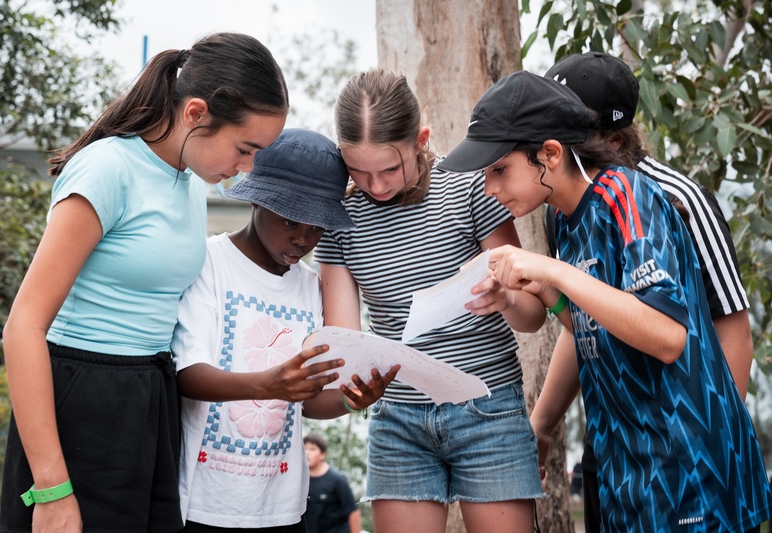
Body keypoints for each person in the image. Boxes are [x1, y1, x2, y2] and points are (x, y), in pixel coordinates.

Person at [439, 69, 772, 532]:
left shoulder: (630, 197)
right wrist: (546, 294)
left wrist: (554, 271)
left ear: (550, 153)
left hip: (689, 475)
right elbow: (597, 328)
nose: (490, 188)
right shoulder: (567, 218)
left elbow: (667, 336)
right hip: (627, 473)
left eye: (499, 170)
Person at [0, 33, 289, 532]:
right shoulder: (108, 169)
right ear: (195, 113)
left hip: (151, 397)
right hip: (83, 397)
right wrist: (51, 487)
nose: (247, 168)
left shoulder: (188, 180)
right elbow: (22, 326)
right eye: (245, 149)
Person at [314, 68, 547, 533]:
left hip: (488, 409)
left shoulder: (472, 188)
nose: (376, 186)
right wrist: (353, 385)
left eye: (389, 169)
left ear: (421, 140)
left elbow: (533, 315)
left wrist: (505, 297)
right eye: (358, 171)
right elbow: (345, 341)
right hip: (398, 420)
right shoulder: (339, 218)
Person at [532, 51, 755, 533]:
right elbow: (585, 324)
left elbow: (733, 330)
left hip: (688, 459)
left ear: (613, 140)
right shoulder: (563, 210)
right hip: (615, 452)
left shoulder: (680, 200)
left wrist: (707, 456)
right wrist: (542, 423)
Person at [171, 128, 399, 532]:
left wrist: (351, 400)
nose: (302, 239)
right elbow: (188, 375)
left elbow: (308, 403)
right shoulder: (209, 263)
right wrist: (268, 385)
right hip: (205, 504)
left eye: (317, 228)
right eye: (291, 221)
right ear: (257, 199)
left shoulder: (311, 287)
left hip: (282, 507)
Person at [303, 434, 361, 533]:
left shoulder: (337, 479)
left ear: (323, 454)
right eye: (304, 449)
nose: (307, 453)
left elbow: (353, 511)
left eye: (312, 449)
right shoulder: (299, 480)